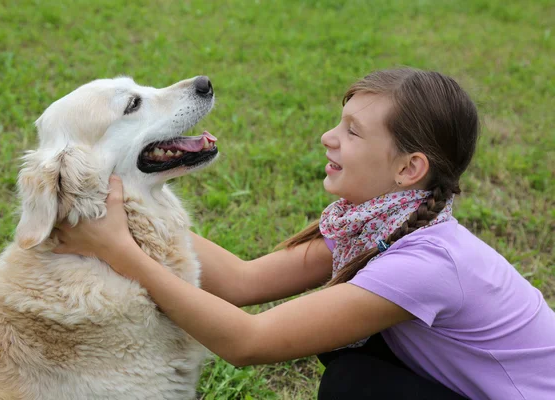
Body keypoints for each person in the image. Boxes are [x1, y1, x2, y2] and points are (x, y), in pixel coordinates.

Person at [53, 68, 555, 399]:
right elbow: (243, 282)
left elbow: (249, 342)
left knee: (355, 384)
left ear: (409, 168)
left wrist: (119, 248)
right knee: (352, 357)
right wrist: (127, 203)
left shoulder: (425, 264)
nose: (328, 137)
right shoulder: (380, 223)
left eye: (353, 131)